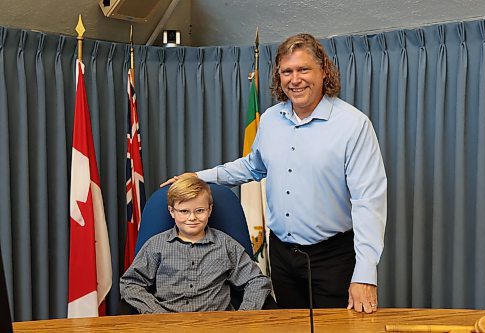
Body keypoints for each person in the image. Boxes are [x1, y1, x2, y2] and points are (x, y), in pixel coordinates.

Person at [163, 33, 387, 314]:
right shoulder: (270, 119)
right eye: (287, 71)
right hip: (282, 256)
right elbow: (253, 166)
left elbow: (369, 203)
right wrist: (199, 176)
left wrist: (365, 273)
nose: (295, 79)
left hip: (333, 258)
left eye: (304, 69)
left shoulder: (353, 125)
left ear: (324, 71)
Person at [120, 175, 272, 313]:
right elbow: (131, 283)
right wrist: (156, 313)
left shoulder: (226, 245)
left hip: (216, 324)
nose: (192, 218)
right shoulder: (156, 245)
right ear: (172, 211)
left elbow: (256, 280)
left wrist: (244, 315)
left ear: (210, 210)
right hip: (168, 324)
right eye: (184, 211)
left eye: (200, 210)